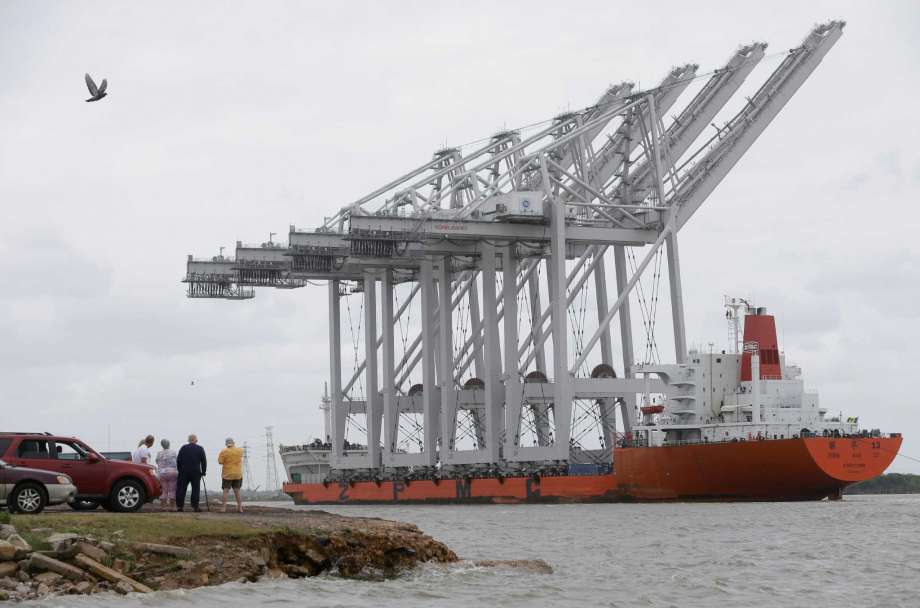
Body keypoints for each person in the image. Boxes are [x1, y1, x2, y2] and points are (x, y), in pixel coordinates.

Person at [176, 434, 207, 512]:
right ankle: (195, 506)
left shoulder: (183, 448)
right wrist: (203, 471)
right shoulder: (200, 448)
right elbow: (204, 461)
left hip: (184, 472)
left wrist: (180, 470)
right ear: (196, 440)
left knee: (181, 489)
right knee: (195, 489)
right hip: (196, 472)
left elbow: (178, 460)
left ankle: (180, 507)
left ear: (188, 440)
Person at [217, 437, 244, 513]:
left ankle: (223, 508)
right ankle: (240, 508)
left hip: (227, 474)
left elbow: (220, 462)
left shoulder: (224, 451)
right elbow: (240, 457)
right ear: (233, 443)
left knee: (225, 491)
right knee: (237, 491)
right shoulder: (240, 450)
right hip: (237, 474)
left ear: (226, 444)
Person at [156, 439, 178, 508]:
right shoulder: (173, 452)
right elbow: (177, 462)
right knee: (172, 490)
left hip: (162, 473)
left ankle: (163, 507)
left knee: (164, 490)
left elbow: (157, 462)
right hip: (172, 472)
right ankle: (172, 507)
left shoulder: (159, 453)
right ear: (169, 444)